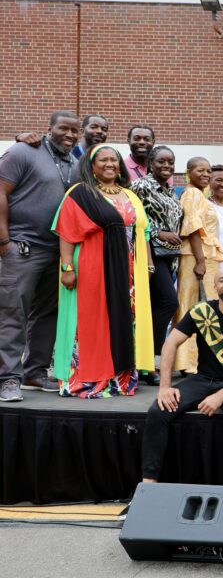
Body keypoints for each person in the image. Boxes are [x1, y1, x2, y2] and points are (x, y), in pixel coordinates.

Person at [141, 266, 223, 485]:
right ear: (215, 286)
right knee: (158, 410)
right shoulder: (201, 312)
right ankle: (148, 484)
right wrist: (165, 387)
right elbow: (170, 343)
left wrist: (221, 395)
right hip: (203, 379)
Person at [53, 144, 154, 397]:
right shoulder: (80, 193)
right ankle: (87, 376)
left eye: (114, 160)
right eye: (103, 160)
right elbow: (66, 232)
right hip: (91, 267)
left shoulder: (130, 195)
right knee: (90, 320)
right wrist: (67, 267)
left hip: (127, 272)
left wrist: (147, 265)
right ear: (91, 166)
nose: (110, 164)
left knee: (123, 320)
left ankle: (119, 376)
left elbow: (143, 232)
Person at [0, 110, 80, 401]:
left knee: (47, 314)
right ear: (49, 128)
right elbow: (1, 191)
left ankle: (33, 372)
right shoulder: (24, 151)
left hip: (56, 251)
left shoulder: (74, 162)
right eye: (63, 129)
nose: (70, 135)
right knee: (12, 313)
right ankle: (7, 379)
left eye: (75, 131)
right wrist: (4, 241)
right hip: (20, 246)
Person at [130, 145, 183, 385]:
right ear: (150, 163)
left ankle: (144, 364)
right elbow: (133, 218)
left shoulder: (170, 190)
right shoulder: (142, 186)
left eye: (170, 162)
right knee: (168, 302)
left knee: (152, 308)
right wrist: (159, 233)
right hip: (149, 253)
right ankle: (149, 360)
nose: (167, 166)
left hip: (168, 257)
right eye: (161, 161)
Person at [175, 157, 223, 374]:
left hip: (205, 256)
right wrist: (201, 262)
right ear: (188, 172)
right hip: (196, 258)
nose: (205, 174)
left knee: (203, 308)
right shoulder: (192, 193)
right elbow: (192, 228)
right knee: (190, 307)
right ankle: (187, 362)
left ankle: (196, 360)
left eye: (208, 170)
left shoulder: (200, 194)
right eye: (200, 170)